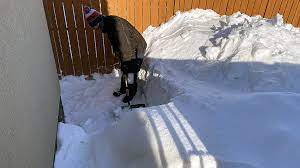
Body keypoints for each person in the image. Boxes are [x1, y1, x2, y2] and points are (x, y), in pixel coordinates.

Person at [83, 6, 147, 103]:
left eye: (97, 26)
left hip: (137, 47)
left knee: (131, 71)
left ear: (99, 20)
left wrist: (127, 62)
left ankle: (131, 93)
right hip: (128, 48)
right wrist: (123, 60)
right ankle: (123, 88)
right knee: (124, 68)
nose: (98, 29)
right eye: (95, 27)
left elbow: (126, 46)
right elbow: (118, 44)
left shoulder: (116, 26)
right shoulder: (108, 24)